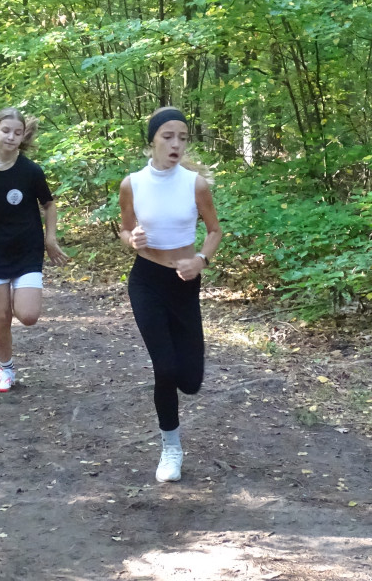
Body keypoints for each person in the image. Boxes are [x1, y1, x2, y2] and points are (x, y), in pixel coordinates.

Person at [118, 107, 222, 483]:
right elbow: (125, 230)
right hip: (146, 281)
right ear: (152, 141)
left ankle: (179, 390)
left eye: (182, 137)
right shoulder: (132, 184)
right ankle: (170, 447)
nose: (176, 144)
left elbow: (214, 231)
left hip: (184, 284)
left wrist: (201, 260)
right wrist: (132, 239)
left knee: (190, 380)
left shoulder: (195, 184)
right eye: (167, 136)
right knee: (164, 368)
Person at [0, 107, 69, 393]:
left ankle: (8, 364)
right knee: (1, 316)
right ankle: (6, 370)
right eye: (6, 130)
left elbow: (49, 204)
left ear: (22, 137)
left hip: (26, 250)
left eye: (17, 133)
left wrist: (50, 238)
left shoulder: (30, 170)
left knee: (28, 316)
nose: (11, 137)